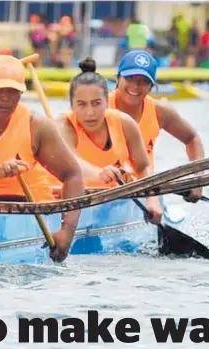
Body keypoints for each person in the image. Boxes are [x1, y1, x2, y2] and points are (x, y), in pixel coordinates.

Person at [0, 55, 85, 262]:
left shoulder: (37, 124)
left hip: (22, 207)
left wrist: (67, 231)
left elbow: (73, 175)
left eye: (12, 91)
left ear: (22, 93)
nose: (5, 98)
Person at [49, 57, 162, 224]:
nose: (90, 113)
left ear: (107, 103)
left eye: (96, 104)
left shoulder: (125, 123)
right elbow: (71, 163)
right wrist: (99, 173)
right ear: (71, 106)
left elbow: (143, 166)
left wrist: (152, 200)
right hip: (62, 199)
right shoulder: (62, 125)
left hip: (110, 202)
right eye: (82, 104)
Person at [108, 49, 204, 204]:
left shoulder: (160, 112)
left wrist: (198, 178)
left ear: (152, 86)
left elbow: (192, 139)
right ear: (118, 78)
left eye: (143, 81)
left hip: (146, 189)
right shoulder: (98, 106)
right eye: (129, 78)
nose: (135, 86)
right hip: (103, 185)